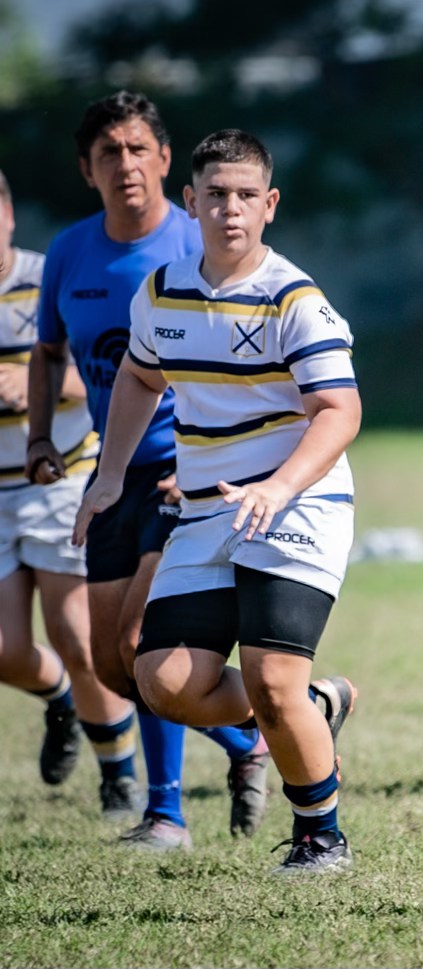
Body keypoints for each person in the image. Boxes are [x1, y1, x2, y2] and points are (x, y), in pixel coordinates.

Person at [74, 128, 361, 876]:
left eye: (245, 196)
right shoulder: (160, 292)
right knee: (162, 681)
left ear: (270, 205)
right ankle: (313, 706)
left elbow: (340, 410)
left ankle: (320, 836)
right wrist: (109, 475)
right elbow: (140, 376)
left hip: (299, 503)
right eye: (216, 195)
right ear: (190, 201)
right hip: (207, 510)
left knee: (270, 679)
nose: (230, 209)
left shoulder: (294, 299)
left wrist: (278, 485)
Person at [28, 91, 269, 846]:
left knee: (141, 642)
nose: (125, 163)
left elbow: (245, 361)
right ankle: (254, 738)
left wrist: (206, 455)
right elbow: (48, 352)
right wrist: (41, 437)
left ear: (166, 161)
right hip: (112, 474)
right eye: (109, 152)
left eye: (138, 148)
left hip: (186, 477)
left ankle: (165, 812)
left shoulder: (200, 243)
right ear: (86, 169)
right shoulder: (70, 251)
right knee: (111, 663)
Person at [0, 168, 140, 805]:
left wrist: (40, 385)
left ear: (9, 215)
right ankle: (60, 700)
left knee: (77, 637)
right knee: (6, 651)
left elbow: (109, 371)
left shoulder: (47, 276)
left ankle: (119, 778)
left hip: (61, 477)